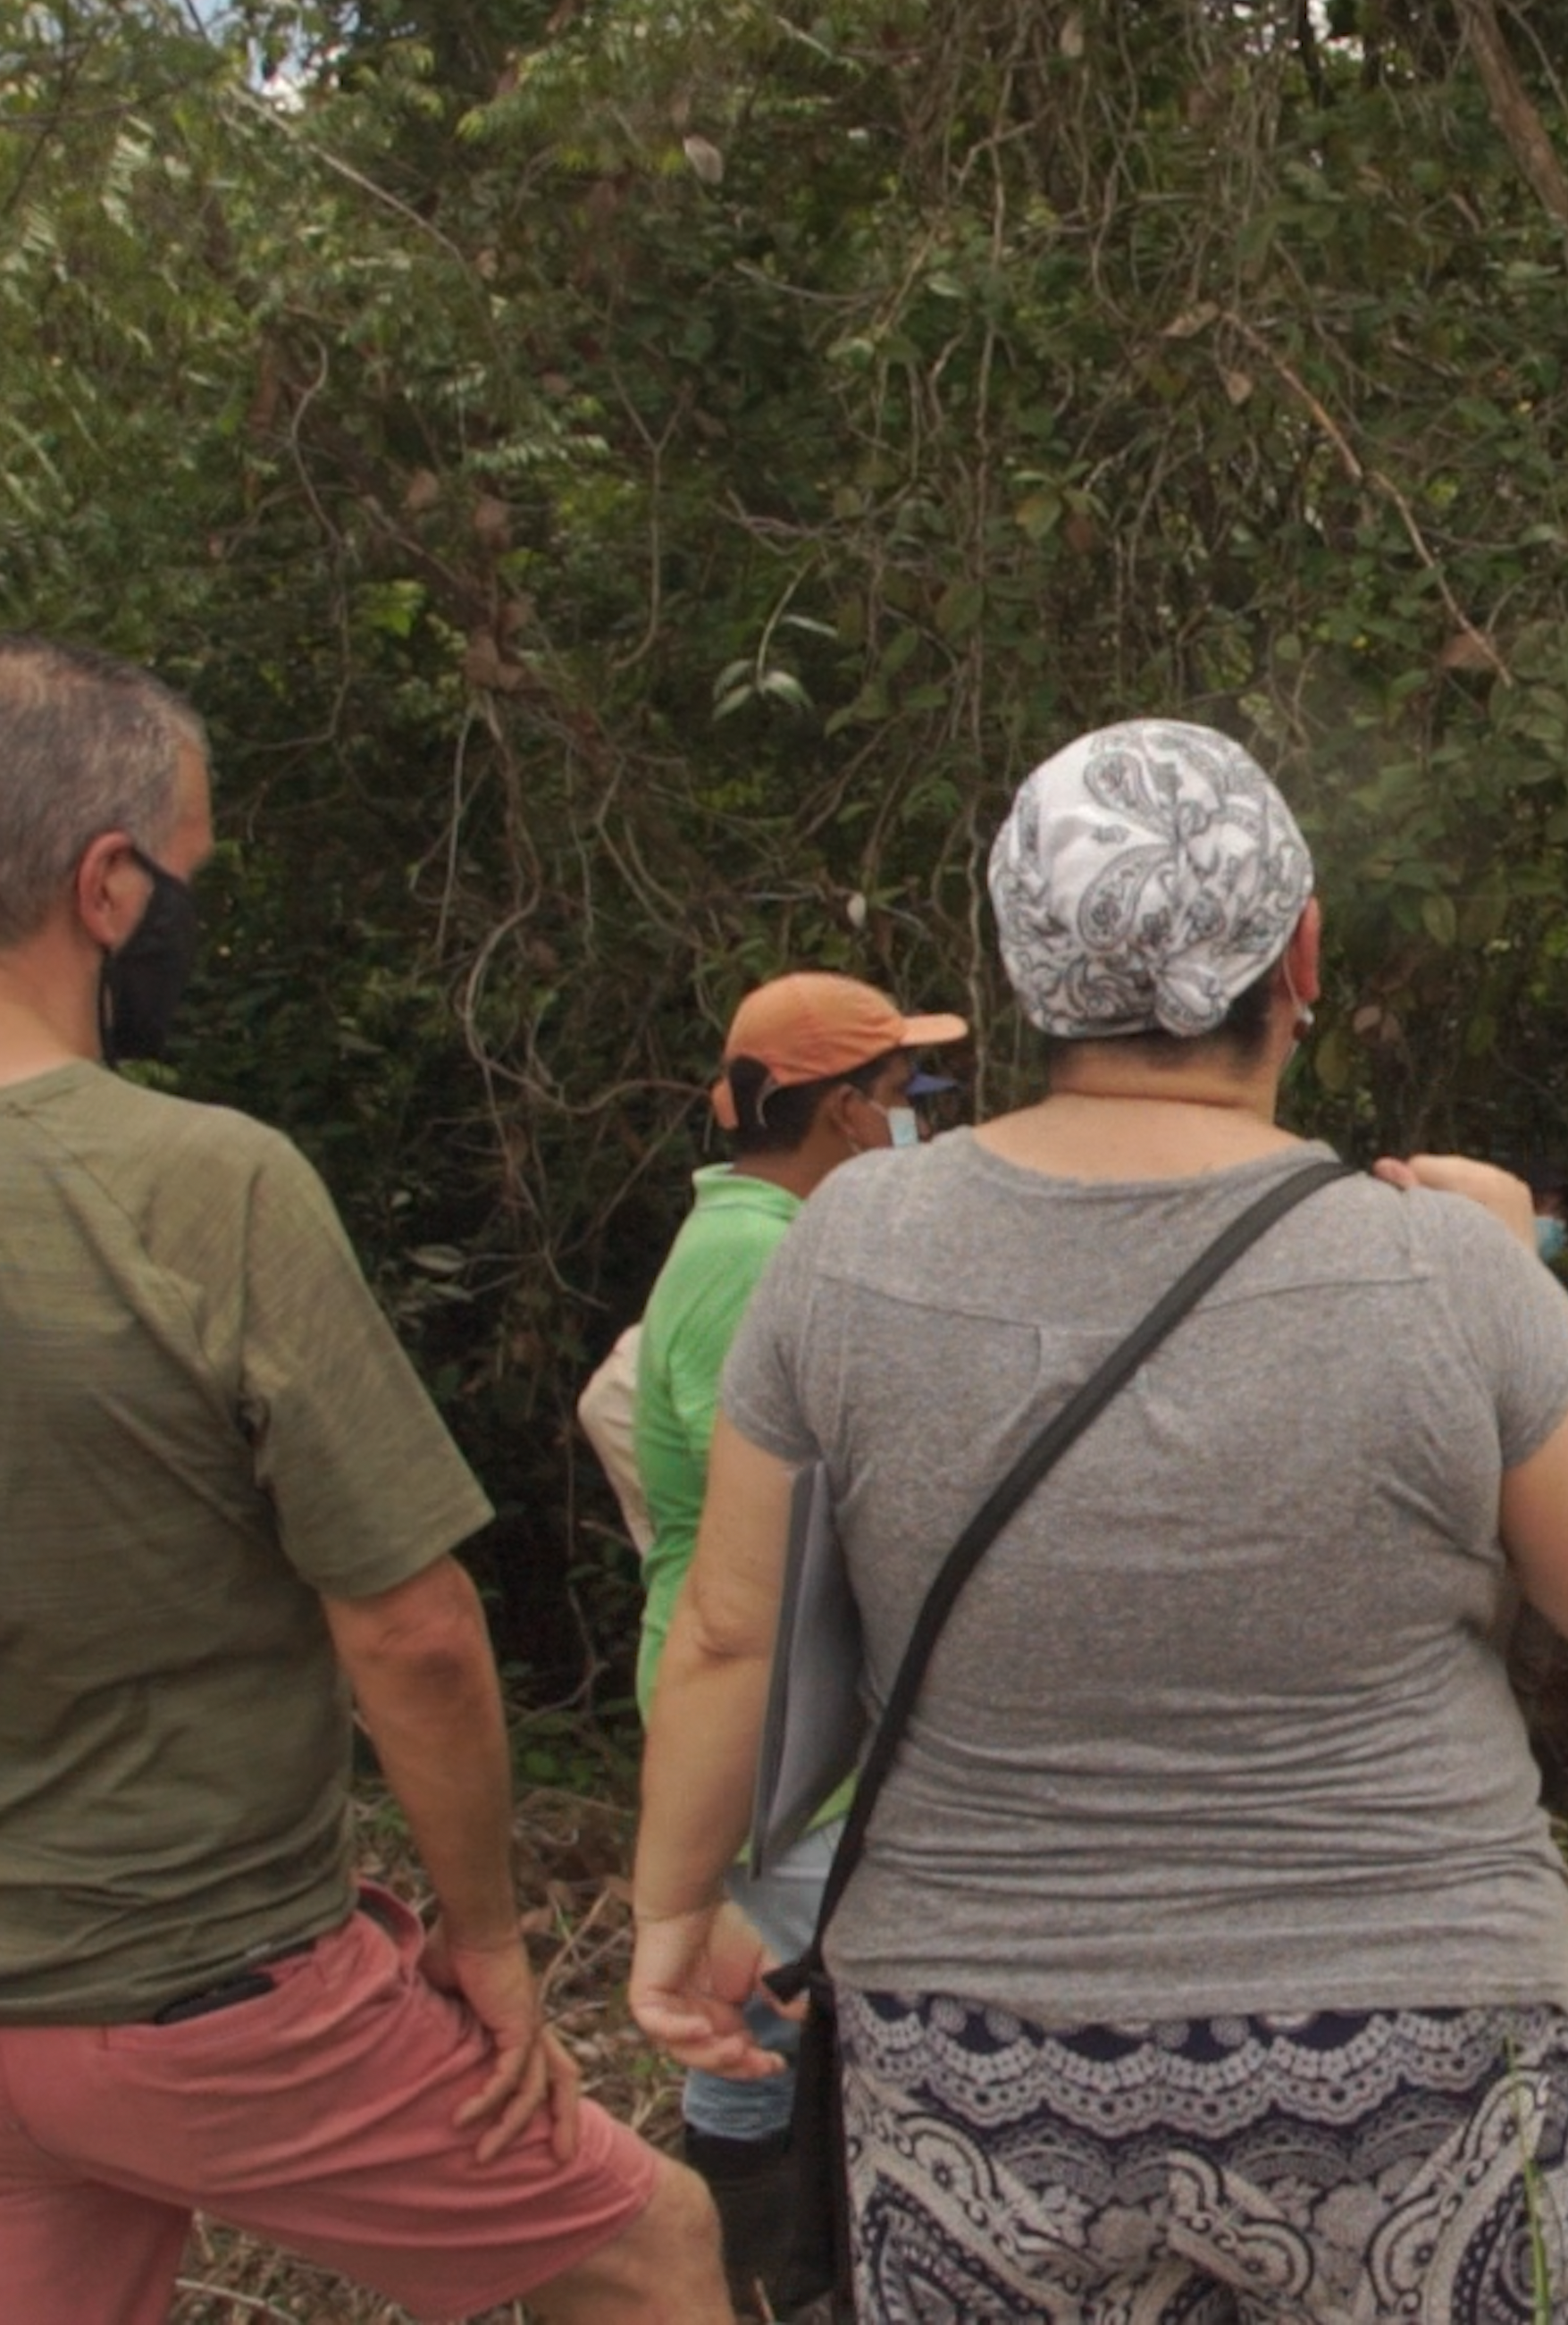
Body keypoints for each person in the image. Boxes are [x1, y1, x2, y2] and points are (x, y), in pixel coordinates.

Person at [0, 639, 725, 2325]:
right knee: (650, 2255)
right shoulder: (206, 1188)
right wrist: (487, 1942)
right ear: (108, 885)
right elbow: (411, 1630)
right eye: (188, 873)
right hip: (213, 2003)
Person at [626, 717, 1568, 2325]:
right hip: (1409, 2044)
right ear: (1301, 952)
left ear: (1024, 962)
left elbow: (732, 1626)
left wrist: (676, 1909)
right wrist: (1521, 1266)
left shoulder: (849, 1245)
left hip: (978, 2053)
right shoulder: (1437, 1264)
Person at [633, 971, 968, 2320]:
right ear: (840, 1115)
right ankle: (773, 2279)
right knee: (785, 2023)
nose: (918, 1124)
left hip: (790, 1718)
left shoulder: (760, 1241)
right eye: (902, 1098)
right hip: (783, 1726)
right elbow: (754, 1547)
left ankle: (762, 2275)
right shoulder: (756, 1261)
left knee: (758, 2027)